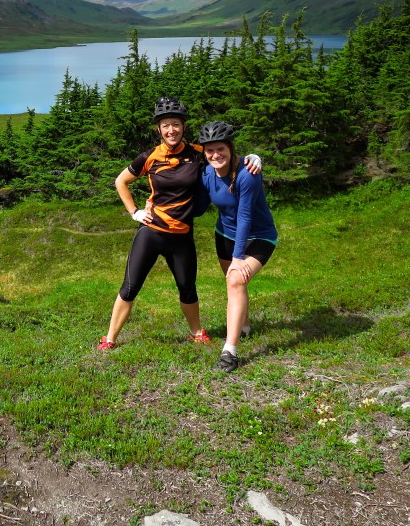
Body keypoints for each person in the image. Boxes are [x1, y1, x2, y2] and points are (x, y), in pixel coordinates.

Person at [98, 97, 260, 351]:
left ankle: (196, 332)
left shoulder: (198, 154)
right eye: (165, 125)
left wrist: (253, 157)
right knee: (130, 287)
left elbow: (224, 158)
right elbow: (121, 181)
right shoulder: (150, 156)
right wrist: (135, 212)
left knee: (187, 288)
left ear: (183, 127)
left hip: (182, 235)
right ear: (158, 130)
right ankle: (109, 339)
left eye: (176, 124)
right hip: (151, 232)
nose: (171, 130)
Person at [196, 121, 278, 373]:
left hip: (259, 236)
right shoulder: (207, 173)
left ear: (231, 148)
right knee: (235, 283)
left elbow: (245, 217)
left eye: (220, 149)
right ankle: (245, 324)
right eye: (209, 150)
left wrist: (238, 256)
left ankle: (229, 352)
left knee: (235, 280)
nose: (215, 155)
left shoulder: (248, 173)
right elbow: (198, 206)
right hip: (224, 234)